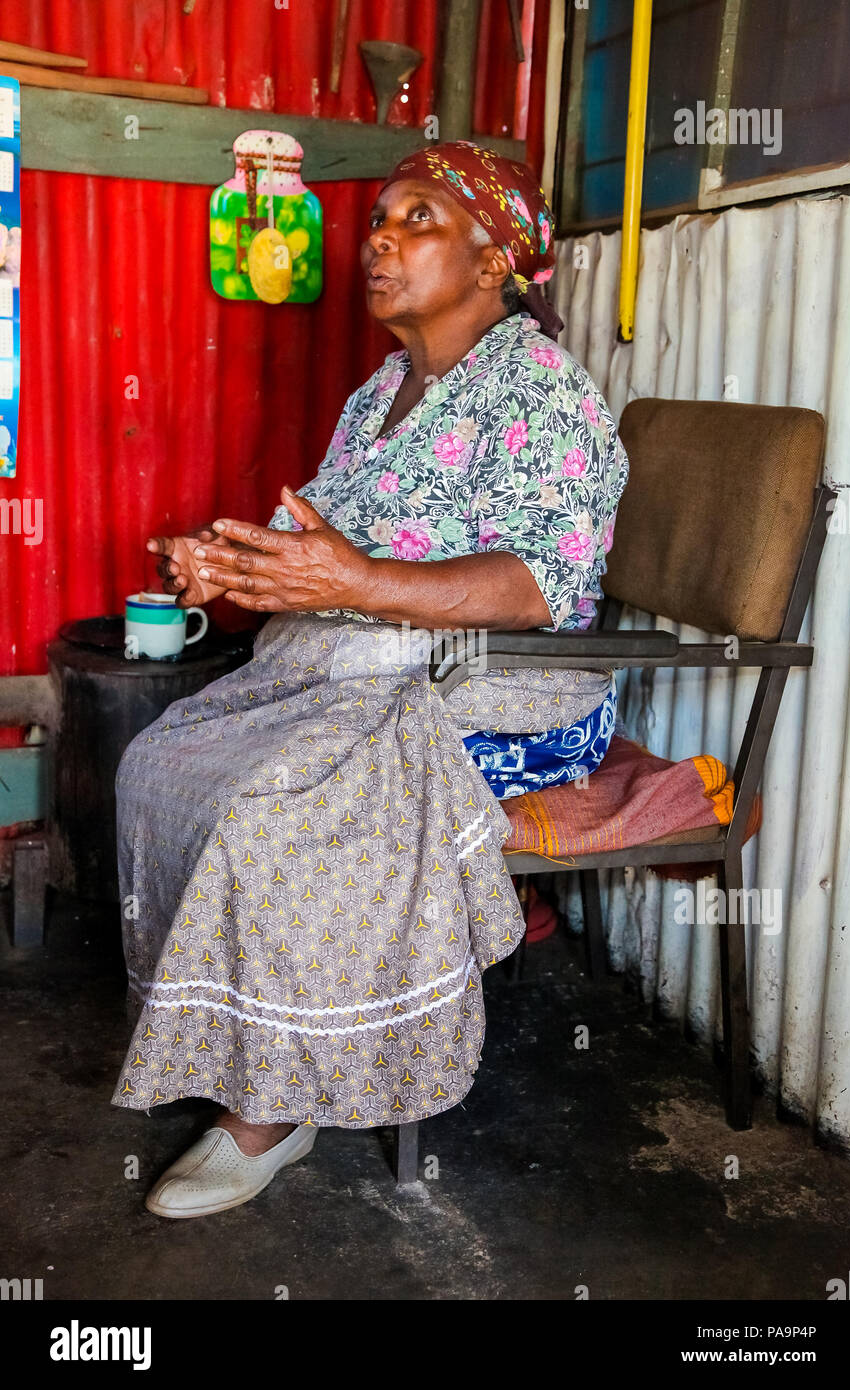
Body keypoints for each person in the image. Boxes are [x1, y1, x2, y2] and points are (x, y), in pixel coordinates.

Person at [113, 142, 628, 1218]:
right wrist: (244, 569)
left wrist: (355, 580)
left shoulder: (539, 391)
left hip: (504, 687)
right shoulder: (379, 391)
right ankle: (247, 1047)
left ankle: (275, 1109)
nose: (379, 236)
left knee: (272, 810)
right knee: (162, 758)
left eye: (419, 219)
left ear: (493, 261)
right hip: (354, 660)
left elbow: (539, 582)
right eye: (379, 216)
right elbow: (336, 561)